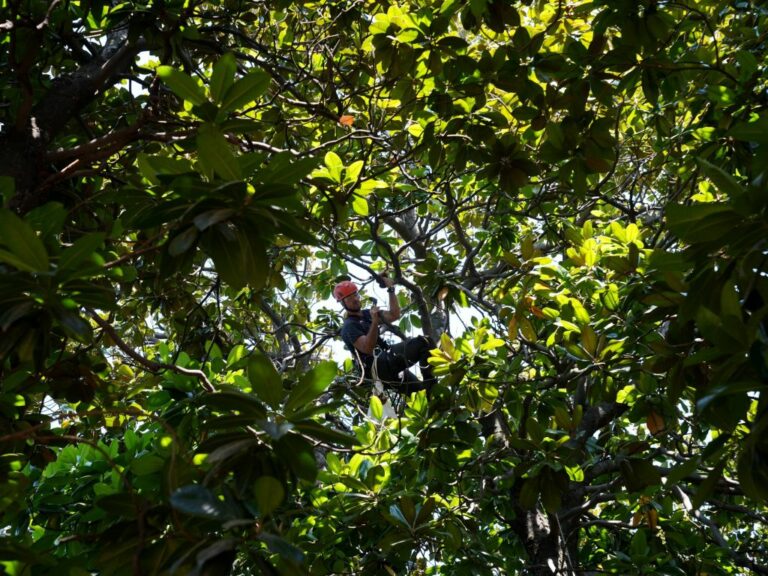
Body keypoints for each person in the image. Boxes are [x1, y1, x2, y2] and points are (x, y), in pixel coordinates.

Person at [334, 277, 436, 394]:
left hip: (387, 363)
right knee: (424, 342)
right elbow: (367, 348)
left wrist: (391, 289)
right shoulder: (349, 326)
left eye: (355, 295)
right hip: (378, 366)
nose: (355, 299)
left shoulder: (367, 314)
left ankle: (431, 395)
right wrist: (375, 322)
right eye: (349, 298)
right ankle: (431, 386)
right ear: (343, 303)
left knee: (420, 394)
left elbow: (394, 314)